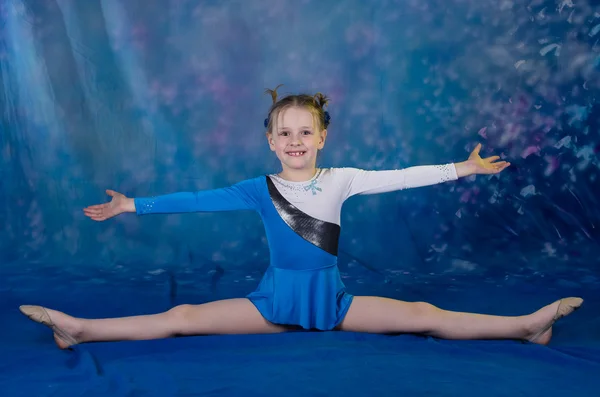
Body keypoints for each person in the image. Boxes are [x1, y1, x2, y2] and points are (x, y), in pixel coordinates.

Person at [20, 86, 583, 350]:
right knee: (185, 315)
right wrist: (131, 205)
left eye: (304, 132)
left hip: (333, 304)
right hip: (272, 304)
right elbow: (197, 198)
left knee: (422, 313)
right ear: (270, 140)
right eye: (283, 133)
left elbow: (404, 176)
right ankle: (82, 330)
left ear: (322, 137)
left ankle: (524, 328)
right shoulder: (257, 188)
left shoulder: (343, 178)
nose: (294, 141)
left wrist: (463, 167)